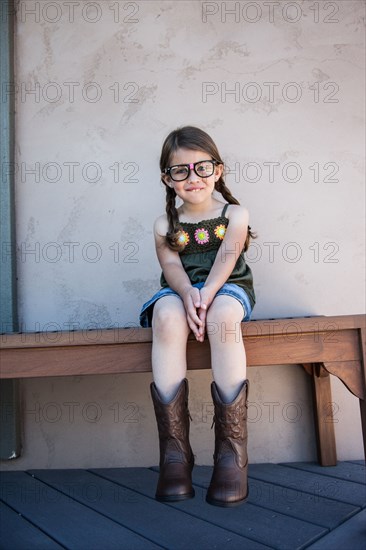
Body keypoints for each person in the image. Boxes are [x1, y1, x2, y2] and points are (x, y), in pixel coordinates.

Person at [139, 126, 256, 507]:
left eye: (201, 168)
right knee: (167, 315)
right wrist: (189, 292)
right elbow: (172, 269)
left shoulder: (234, 214)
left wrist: (207, 294)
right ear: (167, 179)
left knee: (223, 314)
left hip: (227, 288)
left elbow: (227, 258)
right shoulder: (164, 225)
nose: (193, 178)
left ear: (217, 171)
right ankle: (174, 455)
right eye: (180, 171)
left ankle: (231, 456)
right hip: (182, 292)